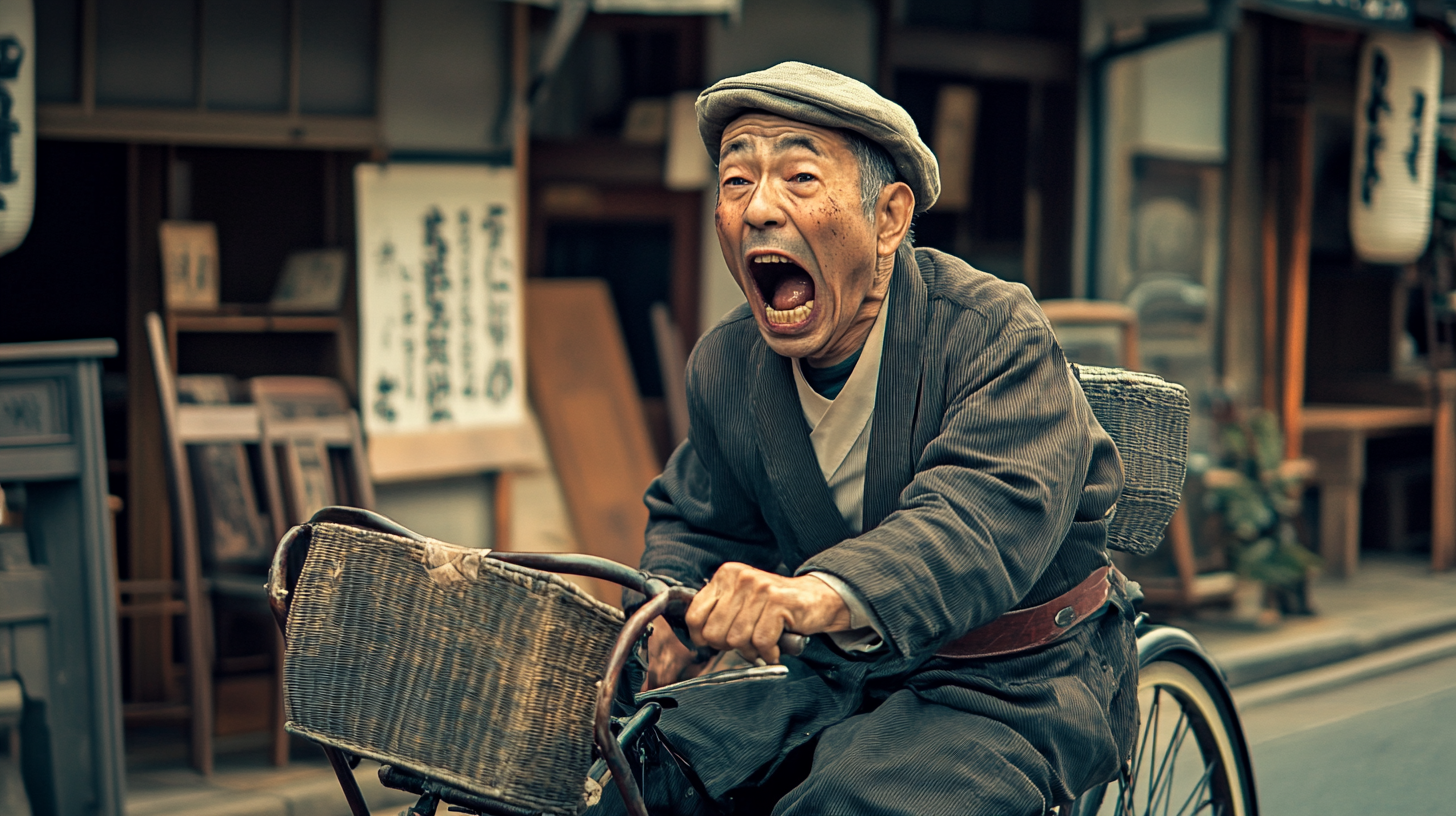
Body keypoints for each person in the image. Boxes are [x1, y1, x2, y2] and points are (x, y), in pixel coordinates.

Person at [594, 61, 1137, 816]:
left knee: (846, 804)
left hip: (1013, 679)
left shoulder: (991, 332)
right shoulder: (727, 363)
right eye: (736, 181)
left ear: (887, 219)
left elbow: (973, 522)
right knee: (629, 773)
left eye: (799, 177)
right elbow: (701, 520)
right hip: (835, 676)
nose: (757, 210)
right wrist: (670, 614)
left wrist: (814, 594)